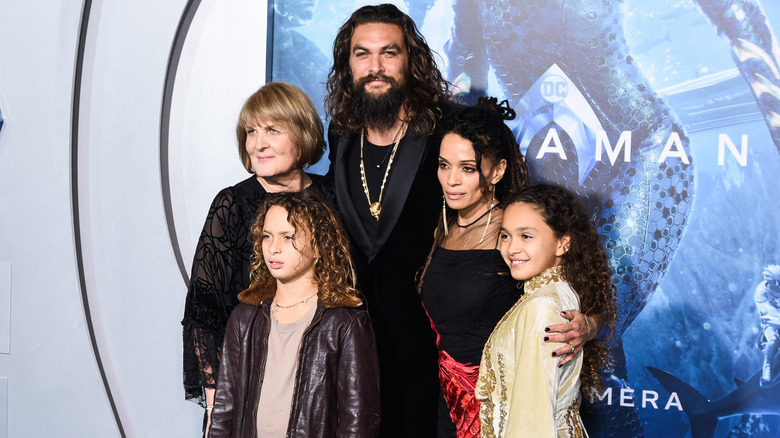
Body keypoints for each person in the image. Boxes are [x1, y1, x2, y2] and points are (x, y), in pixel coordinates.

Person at [325, 5, 598, 436]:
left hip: (434, 369)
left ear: (410, 58)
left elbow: (548, 263)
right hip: (356, 350)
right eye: (363, 54)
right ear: (348, 62)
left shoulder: (444, 130)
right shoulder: (341, 133)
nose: (375, 67)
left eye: (389, 52)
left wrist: (588, 321)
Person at [419, 98, 604, 437]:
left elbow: (580, 296)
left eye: (468, 168)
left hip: (499, 409)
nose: (452, 180)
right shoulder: (442, 227)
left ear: (498, 170)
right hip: (446, 400)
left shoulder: (515, 235)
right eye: (444, 165)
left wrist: (586, 327)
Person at [181, 81, 334, 435]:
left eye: (272, 130)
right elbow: (205, 312)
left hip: (321, 378)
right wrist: (217, 405)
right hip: (252, 378)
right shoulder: (231, 204)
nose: (258, 143)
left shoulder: (333, 197)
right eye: (251, 131)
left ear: (303, 133)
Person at [208, 191, 380, 437]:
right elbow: (225, 411)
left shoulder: (346, 323)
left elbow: (358, 422)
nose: (273, 249)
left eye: (288, 237)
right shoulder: (245, 317)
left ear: (319, 246)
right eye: (267, 236)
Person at [476, 184, 617, 438]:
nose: (511, 248)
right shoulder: (560, 293)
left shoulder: (541, 307)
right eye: (505, 235)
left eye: (526, 236)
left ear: (563, 243)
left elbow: (532, 421)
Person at [755, 264, 780, 387]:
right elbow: (768, 316)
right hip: (772, 323)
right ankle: (767, 368)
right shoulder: (761, 292)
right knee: (773, 340)